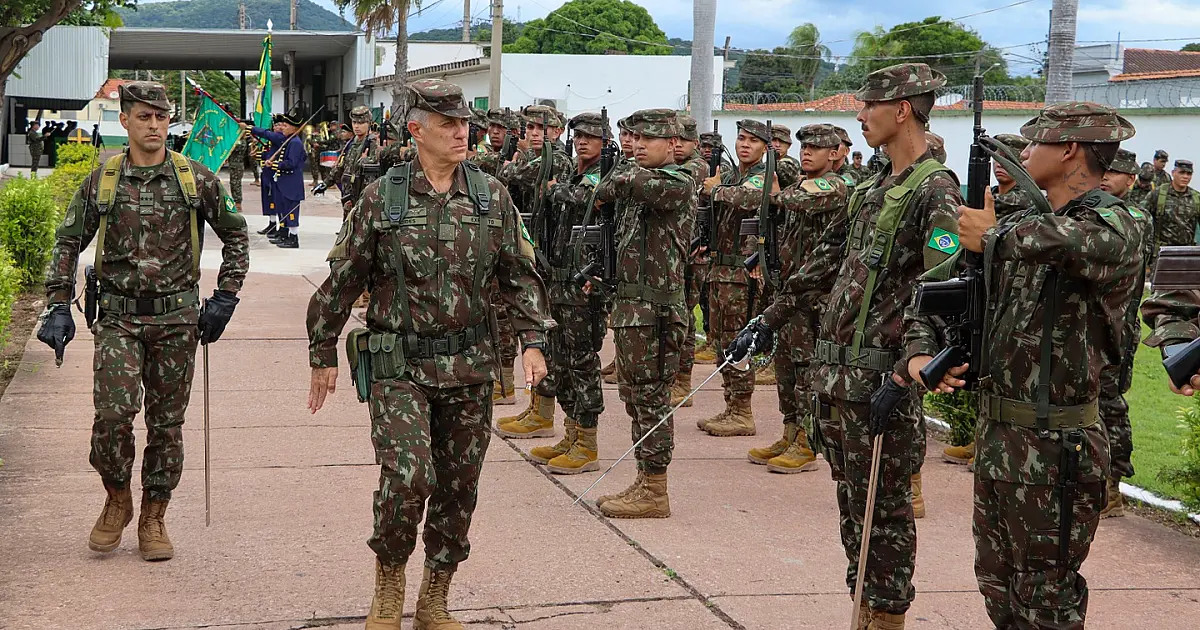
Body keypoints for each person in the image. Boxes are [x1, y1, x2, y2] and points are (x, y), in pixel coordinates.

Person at [304, 78, 551, 630]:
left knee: (459, 486)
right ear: (417, 130)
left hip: (469, 365)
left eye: (464, 123)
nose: (461, 133)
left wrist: (533, 341)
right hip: (400, 365)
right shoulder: (382, 198)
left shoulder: (491, 196)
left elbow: (519, 276)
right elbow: (343, 280)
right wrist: (322, 350)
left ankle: (435, 598)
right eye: (448, 124)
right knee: (409, 475)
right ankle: (389, 585)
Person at [729, 62, 963, 628]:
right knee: (854, 507)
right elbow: (826, 260)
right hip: (840, 375)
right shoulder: (875, 185)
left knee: (884, 513)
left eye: (869, 106)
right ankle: (864, 608)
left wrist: (910, 370)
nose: (859, 116)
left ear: (901, 110)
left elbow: (943, 286)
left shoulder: (935, 189)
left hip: (883, 378)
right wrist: (770, 317)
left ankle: (885, 616)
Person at [915, 102, 1139, 629]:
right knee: (999, 589)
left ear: (1069, 150)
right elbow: (938, 286)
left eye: (1035, 143)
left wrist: (992, 237)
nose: (1024, 153)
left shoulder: (1114, 224)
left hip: (1057, 447)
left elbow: (1075, 242)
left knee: (1046, 599)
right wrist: (926, 348)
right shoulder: (1020, 222)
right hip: (1000, 438)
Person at [36, 81, 250, 563]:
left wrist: (226, 295)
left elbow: (236, 235)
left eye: (161, 117)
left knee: (166, 424)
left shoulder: (194, 179)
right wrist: (57, 303)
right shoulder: (104, 181)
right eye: (144, 116)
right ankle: (117, 498)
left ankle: (155, 514)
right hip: (118, 319)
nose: (154, 125)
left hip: (177, 320)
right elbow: (68, 241)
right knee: (112, 416)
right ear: (125, 121)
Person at [590, 108, 695, 519]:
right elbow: (606, 189)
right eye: (634, 138)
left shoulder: (676, 182)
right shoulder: (640, 180)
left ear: (672, 144)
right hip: (634, 308)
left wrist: (620, 174)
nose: (637, 146)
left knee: (651, 399)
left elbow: (621, 184)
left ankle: (655, 489)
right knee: (634, 398)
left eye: (647, 139)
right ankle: (644, 477)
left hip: (658, 311)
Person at [746, 124, 849, 474]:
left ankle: (807, 441)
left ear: (834, 154)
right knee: (787, 370)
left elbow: (794, 199)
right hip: (790, 294)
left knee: (807, 372)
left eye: (815, 148)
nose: (806, 153)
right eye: (804, 147)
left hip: (814, 297)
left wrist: (775, 193)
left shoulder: (833, 185)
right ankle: (790, 432)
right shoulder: (802, 183)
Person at [516, 111, 614, 473]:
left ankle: (587, 442)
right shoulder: (573, 171)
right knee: (560, 360)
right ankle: (572, 433)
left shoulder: (605, 173)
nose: (583, 141)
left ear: (605, 142)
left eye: (591, 136)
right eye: (579, 136)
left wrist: (554, 188)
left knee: (582, 363)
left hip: (583, 287)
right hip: (560, 280)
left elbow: (587, 197)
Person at [941, 133, 1035, 468]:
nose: (998, 165)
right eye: (994, 159)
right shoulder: (987, 198)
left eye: (1006, 158)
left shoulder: (1026, 204)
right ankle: (979, 436)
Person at [494, 105, 575, 437]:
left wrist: (512, 166)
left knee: (545, 335)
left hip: (550, 258)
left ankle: (543, 414)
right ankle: (537, 407)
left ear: (557, 132)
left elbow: (515, 175)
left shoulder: (558, 160)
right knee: (530, 328)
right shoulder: (533, 157)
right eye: (530, 128)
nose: (535, 133)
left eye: (542, 128)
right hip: (532, 251)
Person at [698, 119, 770, 437]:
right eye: (741, 138)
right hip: (720, 270)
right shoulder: (728, 176)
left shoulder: (764, 176)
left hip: (742, 274)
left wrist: (715, 190)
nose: (744, 145)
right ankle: (731, 405)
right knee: (721, 343)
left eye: (753, 140)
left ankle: (742, 411)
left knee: (739, 341)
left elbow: (749, 198)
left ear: (764, 148)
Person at [1097, 148, 1155, 519]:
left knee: (1110, 404)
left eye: (1115, 172)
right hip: (1093, 326)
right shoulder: (1095, 210)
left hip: (1118, 330)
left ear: (1131, 180)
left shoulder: (1135, 217)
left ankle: (1112, 485)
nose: (1106, 176)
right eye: (1103, 169)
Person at [670, 114, 709, 407]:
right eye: (675, 139)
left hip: (693, 255)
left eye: (684, 140)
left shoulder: (697, 167)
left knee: (684, 317)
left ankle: (683, 381)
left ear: (695, 142)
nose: (679, 145)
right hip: (675, 252)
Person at [245, 109, 307, 248]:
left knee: (291, 210)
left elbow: (291, 163)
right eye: (282, 125)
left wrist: (274, 164)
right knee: (283, 208)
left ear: (294, 128)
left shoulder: (295, 142)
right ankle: (284, 234)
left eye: (285, 125)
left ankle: (293, 237)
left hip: (291, 182)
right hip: (283, 181)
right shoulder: (289, 140)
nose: (282, 128)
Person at [314, 105, 383, 221]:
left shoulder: (373, 143)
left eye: (361, 123)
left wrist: (366, 161)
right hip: (349, 196)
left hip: (365, 197)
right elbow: (341, 166)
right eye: (354, 122)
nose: (356, 126)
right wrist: (326, 183)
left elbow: (376, 168)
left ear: (369, 123)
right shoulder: (351, 142)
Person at [1144, 159, 1198, 251]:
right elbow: (1142, 217)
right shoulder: (1158, 194)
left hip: (1187, 251)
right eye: (1181, 172)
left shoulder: (1196, 198)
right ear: (1173, 173)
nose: (1185, 176)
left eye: (1189, 174)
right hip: (1162, 251)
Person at [227, 131, 248, 212]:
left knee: (236, 184)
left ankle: (238, 203)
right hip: (233, 165)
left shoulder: (242, 142)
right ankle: (235, 201)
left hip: (237, 166)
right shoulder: (237, 141)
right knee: (233, 183)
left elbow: (234, 148)